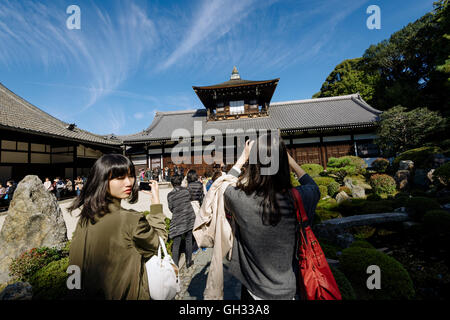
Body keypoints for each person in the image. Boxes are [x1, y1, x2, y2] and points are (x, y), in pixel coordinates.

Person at [223, 134, 320, 300]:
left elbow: (223, 184)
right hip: (289, 287)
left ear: (253, 165)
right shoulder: (299, 198)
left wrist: (242, 159)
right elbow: (313, 187)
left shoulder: (239, 199)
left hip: (253, 288)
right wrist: (290, 160)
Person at [68, 154, 167, 300]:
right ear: (101, 180)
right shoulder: (131, 220)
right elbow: (158, 243)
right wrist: (156, 205)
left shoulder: (85, 218)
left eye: (131, 175)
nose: (129, 182)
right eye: (119, 177)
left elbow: (74, 265)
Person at [167, 174, 195, 268]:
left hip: (177, 220)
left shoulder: (170, 195)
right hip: (188, 217)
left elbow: (171, 208)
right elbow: (189, 200)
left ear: (172, 184)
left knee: (176, 244)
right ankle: (188, 261)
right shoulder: (186, 191)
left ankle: (175, 267)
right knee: (188, 239)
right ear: (180, 182)